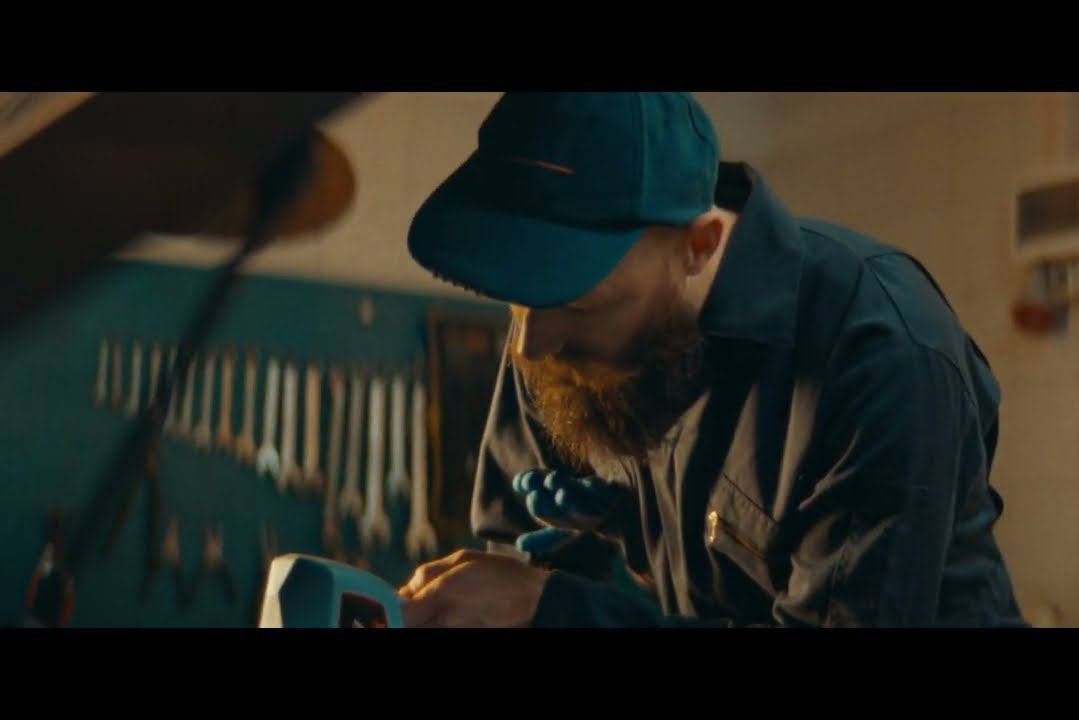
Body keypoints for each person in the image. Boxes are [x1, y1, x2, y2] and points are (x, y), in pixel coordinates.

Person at [396, 92, 1027, 628]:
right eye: (517, 297)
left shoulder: (881, 356)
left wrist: (562, 610)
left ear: (699, 244)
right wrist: (565, 564)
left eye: (578, 303)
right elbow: (513, 557)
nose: (530, 346)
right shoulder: (555, 322)